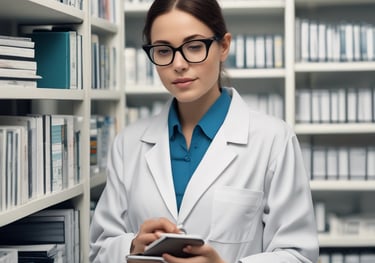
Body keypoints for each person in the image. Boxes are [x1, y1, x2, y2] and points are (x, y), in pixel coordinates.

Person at [89, 0, 319, 262]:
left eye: (194, 47)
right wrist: (132, 246)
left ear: (223, 46)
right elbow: (99, 249)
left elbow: (299, 255)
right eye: (164, 51)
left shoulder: (273, 140)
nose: (178, 64)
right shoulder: (128, 144)